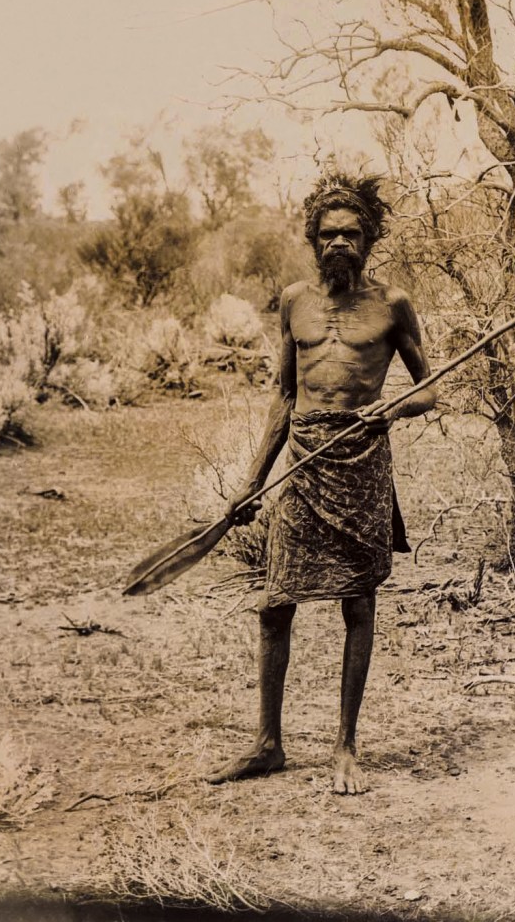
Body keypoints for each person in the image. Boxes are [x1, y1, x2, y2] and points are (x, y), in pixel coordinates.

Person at [205, 173, 437, 795]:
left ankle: (346, 748)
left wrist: (393, 408)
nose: (339, 241)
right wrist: (252, 480)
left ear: (370, 238)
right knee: (276, 602)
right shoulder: (293, 302)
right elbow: (284, 393)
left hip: (361, 460)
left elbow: (430, 389)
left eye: (351, 233)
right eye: (328, 233)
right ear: (312, 238)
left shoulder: (393, 304)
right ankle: (268, 744)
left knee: (357, 603)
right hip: (304, 460)